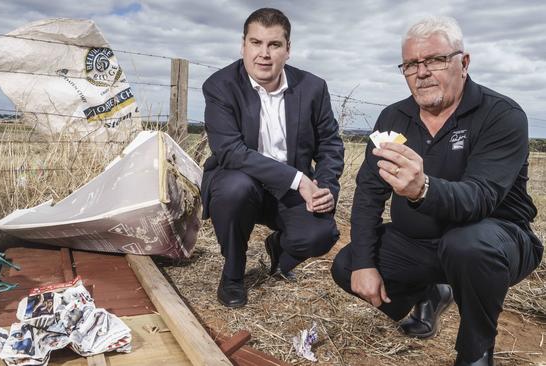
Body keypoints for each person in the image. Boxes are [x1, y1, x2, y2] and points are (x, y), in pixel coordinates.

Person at [331, 15, 543, 366]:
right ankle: (431, 294)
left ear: (464, 62)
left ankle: (476, 351)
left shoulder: (501, 115)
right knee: (348, 265)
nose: (422, 71)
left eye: (435, 59)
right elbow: (369, 193)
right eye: (411, 64)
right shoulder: (393, 118)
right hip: (420, 242)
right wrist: (365, 264)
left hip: (497, 239)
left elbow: (480, 197)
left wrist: (423, 189)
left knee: (466, 245)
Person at [202, 8, 344, 308]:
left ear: (288, 50)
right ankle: (233, 274)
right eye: (256, 43)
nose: (264, 54)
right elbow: (230, 151)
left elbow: (330, 145)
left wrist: (326, 186)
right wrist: (299, 179)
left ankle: (279, 248)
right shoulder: (220, 86)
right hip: (241, 183)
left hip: (290, 192)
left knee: (321, 234)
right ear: (243, 45)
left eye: (274, 45)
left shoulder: (313, 88)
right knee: (235, 188)